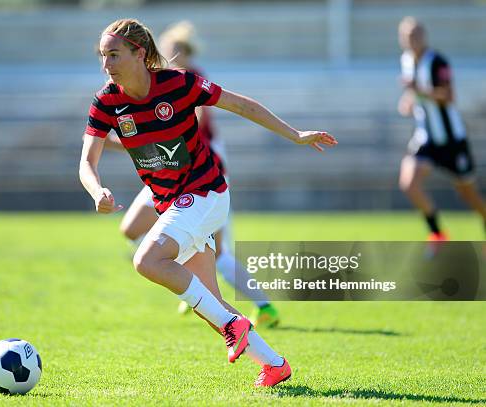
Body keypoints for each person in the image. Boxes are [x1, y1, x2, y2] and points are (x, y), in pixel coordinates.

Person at [79, 18, 337, 387]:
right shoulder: (106, 100)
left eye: (114, 55)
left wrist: (295, 135)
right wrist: (96, 191)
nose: (106, 65)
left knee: (147, 260)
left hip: (206, 192)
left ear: (139, 53)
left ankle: (237, 325)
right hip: (172, 203)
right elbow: (87, 161)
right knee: (211, 308)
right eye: (103, 56)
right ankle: (274, 364)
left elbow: (240, 105)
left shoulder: (178, 83)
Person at [109, 20, 280, 328]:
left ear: (184, 53)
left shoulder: (186, 82)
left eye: (172, 51)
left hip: (199, 171)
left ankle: (261, 305)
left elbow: (178, 136)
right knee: (132, 228)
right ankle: (183, 275)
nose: (163, 57)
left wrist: (124, 142)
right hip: (168, 170)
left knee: (218, 248)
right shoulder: (155, 84)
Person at [397, 16, 485, 240]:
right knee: (408, 183)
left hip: (451, 139)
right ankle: (437, 234)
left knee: (467, 194)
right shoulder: (406, 60)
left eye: (416, 35)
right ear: (402, 40)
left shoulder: (437, 61)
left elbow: (448, 96)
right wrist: (408, 101)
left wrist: (418, 90)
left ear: (424, 36)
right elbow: (414, 93)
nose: (413, 40)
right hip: (425, 137)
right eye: (408, 36)